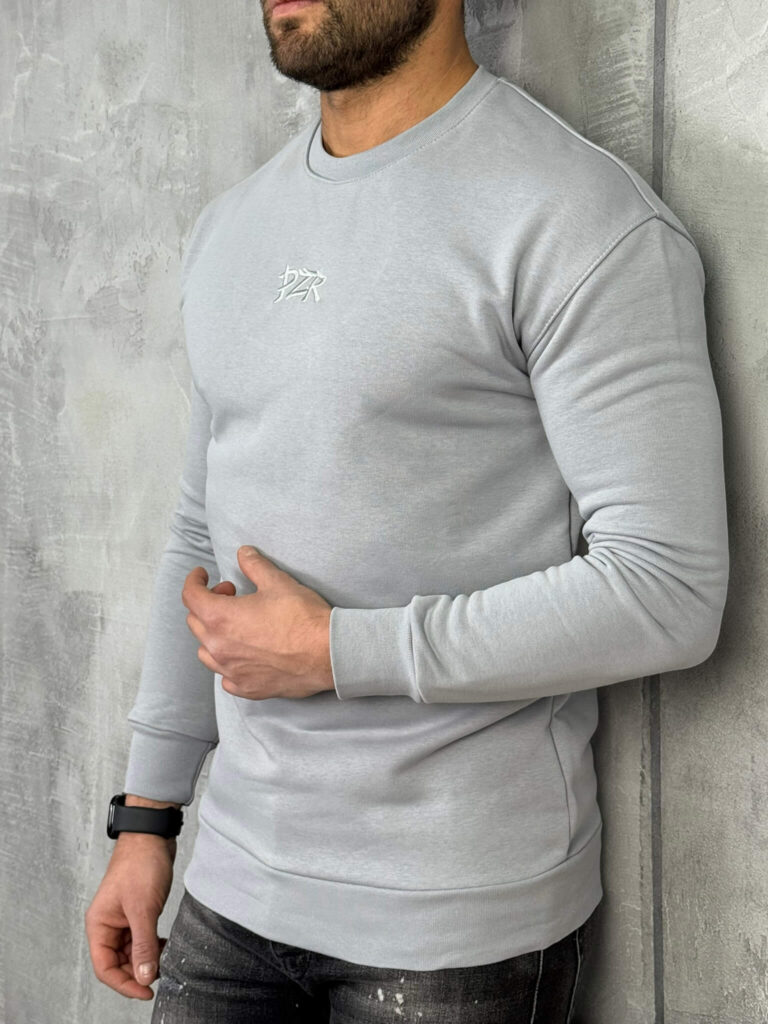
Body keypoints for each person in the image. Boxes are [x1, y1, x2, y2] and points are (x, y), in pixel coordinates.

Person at [84, 0, 730, 1020]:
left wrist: (340, 651)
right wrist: (148, 815)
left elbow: (668, 590)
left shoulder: (577, 218)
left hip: (458, 929)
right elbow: (201, 534)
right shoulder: (234, 226)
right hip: (230, 890)